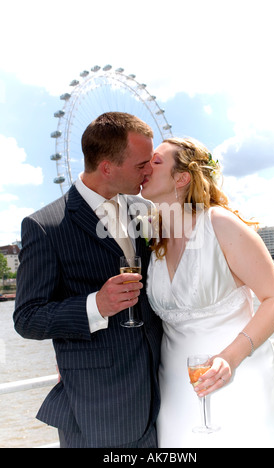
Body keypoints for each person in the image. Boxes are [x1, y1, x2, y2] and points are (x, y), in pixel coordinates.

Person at [13, 112, 162, 448]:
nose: (149, 171)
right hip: (99, 410)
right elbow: (27, 318)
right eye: (141, 165)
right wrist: (95, 305)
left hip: (163, 396)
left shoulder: (146, 210)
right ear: (107, 167)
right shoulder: (44, 227)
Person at [141, 137, 274, 448]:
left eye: (155, 162)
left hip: (238, 378)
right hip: (176, 390)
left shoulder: (220, 224)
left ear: (181, 178)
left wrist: (230, 358)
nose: (145, 166)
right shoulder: (155, 237)